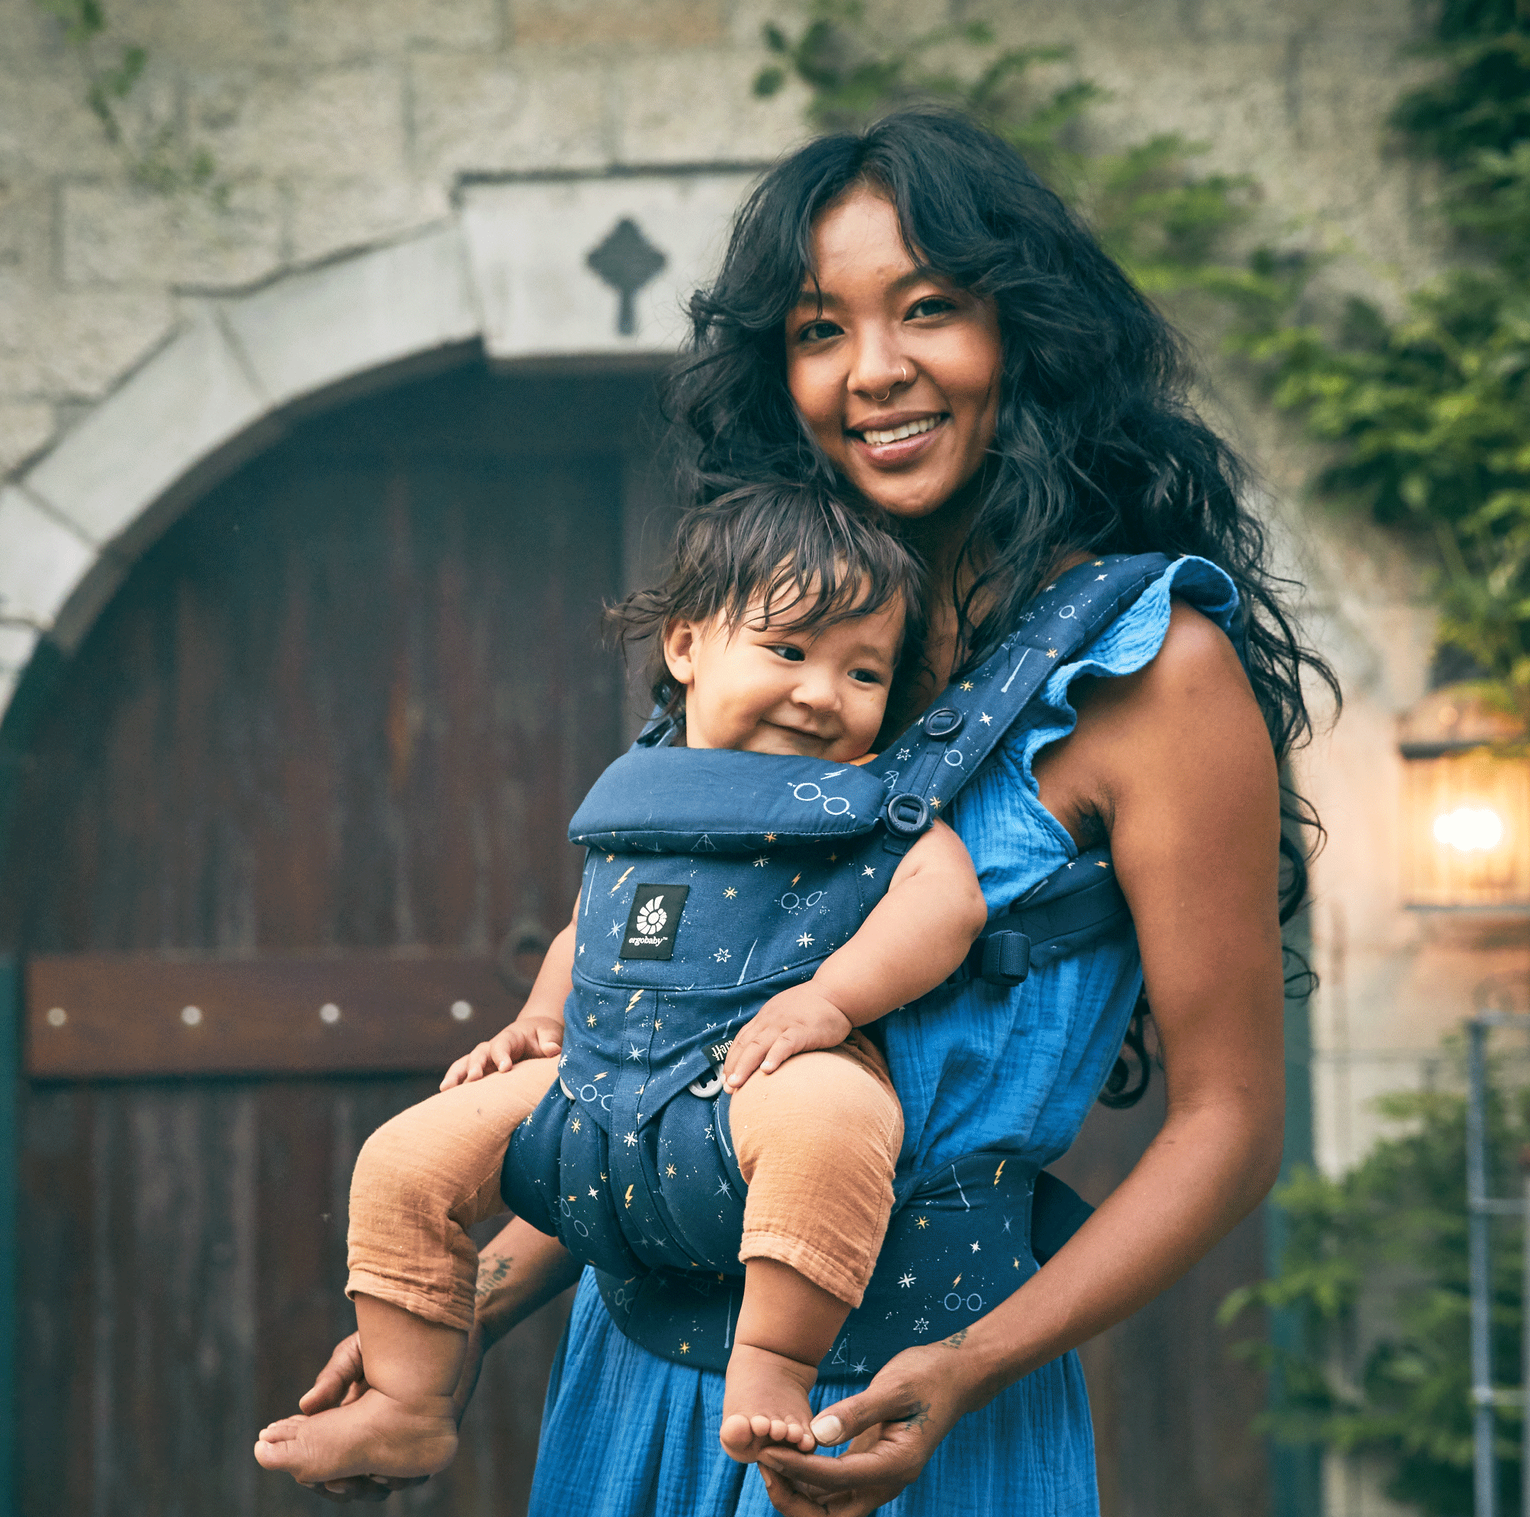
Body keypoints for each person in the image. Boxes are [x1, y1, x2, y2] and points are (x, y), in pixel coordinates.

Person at [293, 106, 1331, 1516]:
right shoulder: (773, 653)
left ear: (1024, 332)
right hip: (637, 1387)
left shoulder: (1154, 672)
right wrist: (460, 1308)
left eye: (929, 310)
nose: (877, 370)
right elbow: (660, 1068)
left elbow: (1228, 1123)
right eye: (818, 328)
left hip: (908, 1402)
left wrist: (970, 1365)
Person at [254, 484, 995, 1485]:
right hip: (593, 1078)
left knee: (834, 1127)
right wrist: (534, 1020)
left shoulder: (868, 802)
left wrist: (835, 1000)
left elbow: (941, 900)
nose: (821, 691)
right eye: (787, 649)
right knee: (402, 1158)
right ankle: (408, 1400)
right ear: (686, 647)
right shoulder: (645, 793)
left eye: (861, 670)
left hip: (758, 1071)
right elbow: (589, 927)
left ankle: (772, 1363)